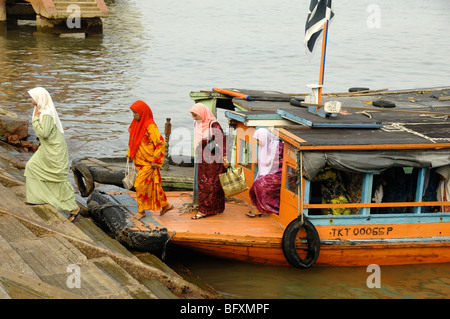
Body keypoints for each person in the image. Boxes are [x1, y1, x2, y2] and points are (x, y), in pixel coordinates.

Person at [24, 87, 80, 222]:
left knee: (58, 178)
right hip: (46, 148)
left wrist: (36, 120)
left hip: (55, 150)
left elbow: (44, 133)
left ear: (39, 99)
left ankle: (73, 207)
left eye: (32, 97)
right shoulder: (39, 110)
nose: (30, 99)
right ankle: (38, 197)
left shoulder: (46, 114)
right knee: (32, 167)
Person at [127, 100, 173, 220]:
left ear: (142, 113)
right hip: (140, 161)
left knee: (139, 185)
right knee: (154, 184)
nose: (134, 115)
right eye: (133, 113)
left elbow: (160, 142)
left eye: (136, 113)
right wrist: (129, 153)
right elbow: (134, 140)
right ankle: (166, 205)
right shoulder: (136, 123)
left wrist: (156, 160)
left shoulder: (150, 126)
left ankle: (141, 211)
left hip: (148, 162)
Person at [190, 103, 229, 219]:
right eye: (193, 116)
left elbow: (222, 142)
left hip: (214, 161)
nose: (194, 118)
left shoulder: (214, 125)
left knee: (211, 185)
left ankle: (205, 210)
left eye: (196, 115)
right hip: (203, 161)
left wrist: (225, 158)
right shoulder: (199, 124)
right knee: (203, 183)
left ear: (202, 113)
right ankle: (212, 209)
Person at [247, 128, 283, 217]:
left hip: (279, 173)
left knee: (260, 184)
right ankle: (260, 206)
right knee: (256, 184)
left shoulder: (278, 146)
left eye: (258, 140)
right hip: (270, 173)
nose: (257, 142)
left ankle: (265, 208)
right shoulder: (263, 148)